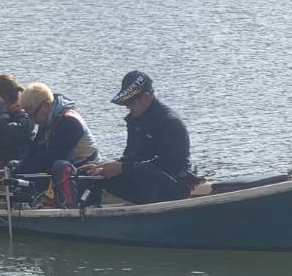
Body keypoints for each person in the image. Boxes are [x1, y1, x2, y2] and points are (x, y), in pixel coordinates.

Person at [81, 71, 202, 203]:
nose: (128, 108)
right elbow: (132, 155)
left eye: (131, 103)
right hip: (144, 180)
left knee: (143, 170)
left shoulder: (170, 123)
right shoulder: (134, 120)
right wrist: (104, 166)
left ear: (146, 97)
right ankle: (84, 211)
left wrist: (122, 168)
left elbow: (167, 164)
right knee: (92, 174)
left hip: (176, 185)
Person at [14, 82, 99, 207]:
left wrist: (19, 173)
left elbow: (51, 156)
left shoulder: (70, 122)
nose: (32, 120)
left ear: (46, 105)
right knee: (18, 164)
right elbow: (33, 153)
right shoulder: (47, 121)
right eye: (28, 115)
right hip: (66, 175)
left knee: (59, 166)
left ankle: (70, 207)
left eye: (32, 114)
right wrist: (16, 171)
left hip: (86, 177)